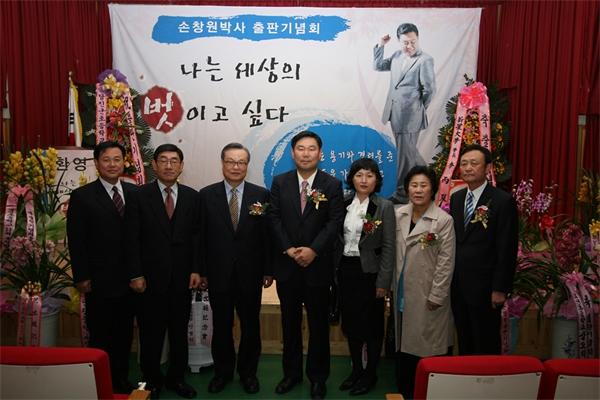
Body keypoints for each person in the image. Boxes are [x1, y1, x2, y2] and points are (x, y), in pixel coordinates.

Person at [267, 131, 344, 400]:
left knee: (318, 326)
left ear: (320, 153)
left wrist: (313, 250)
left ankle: (318, 378)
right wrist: (289, 249)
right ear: (293, 153)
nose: (306, 153)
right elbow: (273, 218)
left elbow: (334, 222)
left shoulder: (332, 184)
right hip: (287, 266)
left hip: (317, 267)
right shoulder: (280, 182)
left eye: (312, 149)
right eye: (301, 148)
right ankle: (291, 374)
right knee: (289, 325)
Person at [125, 144, 201, 399]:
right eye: (163, 161)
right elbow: (131, 239)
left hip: (181, 279)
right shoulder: (138, 196)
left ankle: (177, 379)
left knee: (179, 333)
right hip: (148, 280)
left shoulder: (192, 196)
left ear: (181, 166)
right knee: (151, 335)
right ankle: (151, 381)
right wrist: (135, 274)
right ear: (154, 165)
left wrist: (196, 270)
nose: (169, 166)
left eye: (174, 161)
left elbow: (196, 238)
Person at [198, 143, 273, 395]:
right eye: (230, 161)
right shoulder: (206, 195)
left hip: (250, 273)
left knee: (251, 325)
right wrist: (202, 271)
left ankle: (248, 373)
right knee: (221, 326)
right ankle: (223, 372)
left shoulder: (261, 195)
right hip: (218, 273)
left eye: (241, 162)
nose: (235, 167)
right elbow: (200, 237)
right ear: (222, 163)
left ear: (247, 165)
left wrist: (268, 269)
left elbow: (267, 236)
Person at [67, 141, 136, 395]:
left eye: (117, 159)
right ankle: (98, 382)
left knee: (124, 334)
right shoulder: (82, 196)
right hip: (99, 279)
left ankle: (121, 379)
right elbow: (76, 240)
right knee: (101, 333)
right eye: (106, 159)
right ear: (96, 163)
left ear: (124, 162)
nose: (112, 164)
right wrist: (82, 276)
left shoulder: (134, 193)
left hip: (130, 279)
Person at [333, 158, 396, 396]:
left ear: (377, 180)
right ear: (352, 178)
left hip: (370, 273)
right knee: (350, 323)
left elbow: (389, 246)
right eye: (359, 175)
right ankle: (357, 370)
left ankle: (370, 374)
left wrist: (383, 282)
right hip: (345, 271)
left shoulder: (384, 206)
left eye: (370, 175)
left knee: (372, 326)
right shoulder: (343, 203)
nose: (364, 180)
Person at [394, 165, 456, 399]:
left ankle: (428, 390)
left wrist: (437, 294)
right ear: (407, 188)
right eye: (414, 185)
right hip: (402, 289)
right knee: (406, 341)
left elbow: (446, 261)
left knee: (427, 342)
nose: (418, 190)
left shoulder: (443, 220)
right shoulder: (399, 214)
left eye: (424, 185)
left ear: (432, 189)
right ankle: (406, 389)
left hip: (428, 291)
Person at [450, 144, 518, 355]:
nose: (468, 168)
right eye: (463, 164)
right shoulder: (456, 198)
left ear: (488, 168)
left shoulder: (502, 201)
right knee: (465, 341)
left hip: (486, 289)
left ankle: (489, 376)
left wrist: (500, 288)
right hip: (459, 286)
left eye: (474, 163)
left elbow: (507, 249)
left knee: (486, 344)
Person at [373, 23, 436, 204]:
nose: (409, 46)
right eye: (405, 42)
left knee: (404, 157)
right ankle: (431, 181)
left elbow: (430, 89)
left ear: (418, 39)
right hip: (394, 112)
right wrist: (381, 45)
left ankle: (401, 195)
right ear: (399, 41)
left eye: (413, 41)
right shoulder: (397, 55)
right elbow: (378, 66)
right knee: (409, 153)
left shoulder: (425, 60)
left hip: (410, 116)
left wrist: (417, 108)